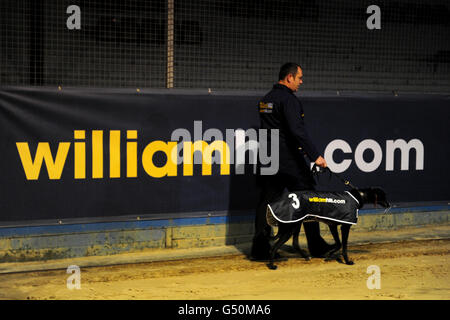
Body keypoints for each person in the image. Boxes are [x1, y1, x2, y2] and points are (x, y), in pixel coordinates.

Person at [251, 62, 333, 260]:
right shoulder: (289, 100)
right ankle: (316, 245)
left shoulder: (265, 100)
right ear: (289, 78)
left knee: (267, 201)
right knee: (308, 197)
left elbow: (274, 130)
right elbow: (297, 131)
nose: (301, 82)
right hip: (288, 160)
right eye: (299, 78)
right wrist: (316, 156)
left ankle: (260, 249)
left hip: (268, 158)